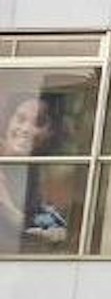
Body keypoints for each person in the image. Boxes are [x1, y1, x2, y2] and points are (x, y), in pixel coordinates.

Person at [0, 91, 74, 252]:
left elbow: (58, 232)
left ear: (51, 133)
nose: (26, 129)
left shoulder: (41, 177)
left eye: (39, 123)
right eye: (20, 119)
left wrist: (6, 205)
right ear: (7, 121)